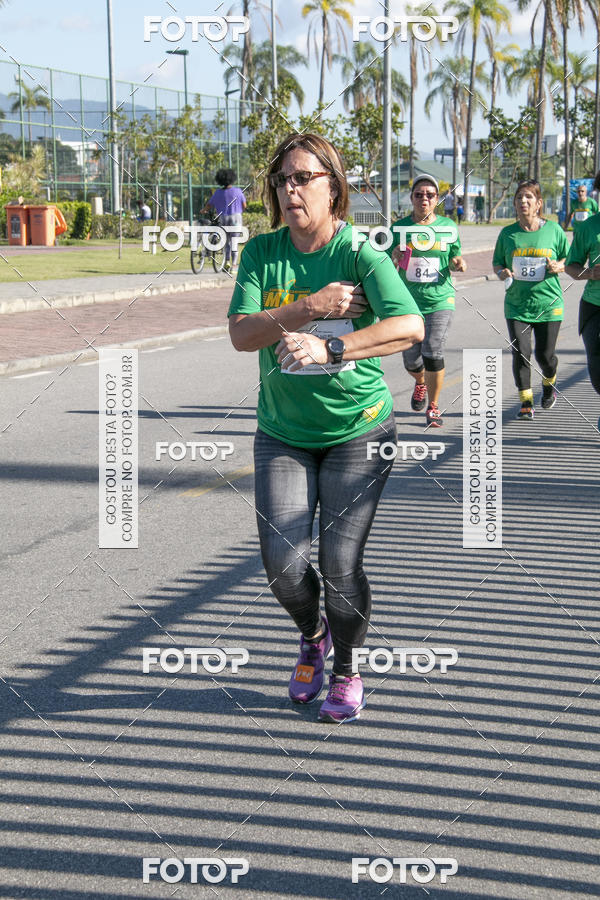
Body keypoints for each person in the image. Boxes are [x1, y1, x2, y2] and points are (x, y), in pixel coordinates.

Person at [228, 133, 423, 723]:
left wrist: (332, 348)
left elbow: (410, 325)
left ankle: (347, 668)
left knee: (339, 564)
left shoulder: (361, 253)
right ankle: (314, 637)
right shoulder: (262, 253)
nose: (290, 189)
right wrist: (310, 307)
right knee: (283, 567)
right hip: (282, 433)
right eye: (281, 180)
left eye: (302, 178)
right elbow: (242, 334)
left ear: (332, 187)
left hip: (358, 432)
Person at [388, 174, 466, 428]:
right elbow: (385, 264)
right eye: (419, 194)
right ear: (411, 198)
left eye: (430, 195)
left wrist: (458, 263)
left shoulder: (448, 227)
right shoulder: (398, 229)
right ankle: (420, 381)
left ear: (437, 200)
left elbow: (455, 256)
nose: (424, 199)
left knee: (433, 350)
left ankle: (433, 405)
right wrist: (393, 255)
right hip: (408, 302)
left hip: (440, 299)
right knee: (411, 359)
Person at [492, 179, 569, 419]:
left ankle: (549, 383)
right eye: (519, 197)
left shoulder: (553, 230)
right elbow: (497, 263)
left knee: (545, 356)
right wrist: (502, 272)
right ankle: (526, 402)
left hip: (549, 304)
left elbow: (569, 258)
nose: (523, 201)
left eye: (528, 197)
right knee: (521, 352)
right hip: (517, 305)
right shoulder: (507, 234)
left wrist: (559, 266)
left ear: (539, 203)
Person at [565, 169, 600, 426]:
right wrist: (590, 273)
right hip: (594, 306)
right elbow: (571, 266)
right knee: (597, 368)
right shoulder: (589, 227)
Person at [205, 168, 247, 271]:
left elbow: (209, 205)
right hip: (236, 218)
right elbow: (244, 205)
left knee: (227, 241)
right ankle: (234, 265)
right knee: (234, 241)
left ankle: (227, 262)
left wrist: (203, 210)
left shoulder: (217, 193)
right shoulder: (238, 191)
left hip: (223, 218)